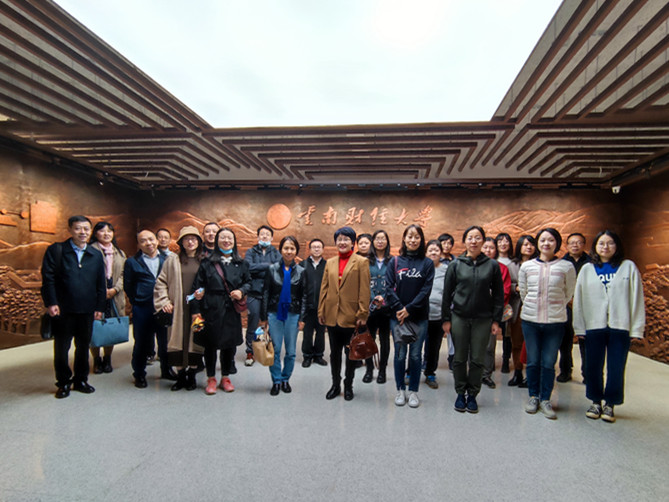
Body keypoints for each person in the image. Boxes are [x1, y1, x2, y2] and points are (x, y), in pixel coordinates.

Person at [573, 230, 645, 423]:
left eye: (610, 243)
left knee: (616, 367)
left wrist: (636, 328)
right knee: (593, 366)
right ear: (595, 246)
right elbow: (579, 300)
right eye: (601, 243)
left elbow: (637, 299)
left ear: (617, 246)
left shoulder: (628, 267)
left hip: (620, 326)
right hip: (593, 325)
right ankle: (595, 401)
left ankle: (610, 404)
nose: (605, 247)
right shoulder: (587, 269)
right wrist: (579, 327)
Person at [41, 215, 106, 399]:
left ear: (90, 231)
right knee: (62, 348)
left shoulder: (95, 254)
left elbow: (100, 283)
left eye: (86, 229)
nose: (82, 232)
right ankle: (63, 382)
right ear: (70, 230)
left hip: (87, 309)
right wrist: (51, 302)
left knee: (83, 347)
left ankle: (81, 380)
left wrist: (100, 306)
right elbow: (48, 278)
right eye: (78, 228)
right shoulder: (57, 250)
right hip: (63, 309)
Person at [442, 226, 504, 414]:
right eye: (470, 238)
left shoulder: (492, 265)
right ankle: (460, 393)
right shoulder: (455, 265)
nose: (474, 241)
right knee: (459, 358)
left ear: (483, 241)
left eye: (478, 238)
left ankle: (473, 395)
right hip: (459, 317)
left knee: (477, 358)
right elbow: (447, 294)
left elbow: (498, 295)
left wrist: (496, 320)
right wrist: (446, 319)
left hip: (483, 319)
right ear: (465, 241)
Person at [519, 228, 575, 420]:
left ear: (557, 243)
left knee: (549, 362)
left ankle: (545, 399)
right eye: (542, 240)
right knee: (533, 361)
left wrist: (554, 307)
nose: (546, 243)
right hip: (530, 321)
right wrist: (533, 306)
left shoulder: (566, 266)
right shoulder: (527, 266)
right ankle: (533, 396)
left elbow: (568, 292)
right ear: (538, 243)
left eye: (551, 240)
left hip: (555, 322)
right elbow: (524, 292)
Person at [191, 228, 251, 395]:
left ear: (234, 241)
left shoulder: (241, 263)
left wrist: (241, 291)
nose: (226, 241)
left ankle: (225, 377)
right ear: (217, 241)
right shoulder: (207, 263)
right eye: (223, 237)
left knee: (229, 345)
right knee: (210, 345)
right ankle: (211, 378)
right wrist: (196, 310)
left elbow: (248, 282)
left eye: (229, 238)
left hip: (231, 308)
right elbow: (197, 287)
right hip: (210, 308)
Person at [318, 226, 371, 401]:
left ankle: (348, 385)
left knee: (351, 354)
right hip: (332, 316)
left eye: (346, 239)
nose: (342, 242)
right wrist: (321, 310)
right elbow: (324, 288)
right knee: (334, 354)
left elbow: (364, 290)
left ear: (352, 242)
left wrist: (362, 314)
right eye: (339, 239)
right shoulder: (330, 262)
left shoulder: (361, 262)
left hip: (351, 316)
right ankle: (335, 385)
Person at [386, 225, 434, 408]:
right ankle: (400, 390)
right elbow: (388, 288)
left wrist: (409, 309)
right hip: (397, 317)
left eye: (417, 237)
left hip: (419, 317)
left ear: (421, 240)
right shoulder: (395, 261)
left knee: (415, 355)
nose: (413, 240)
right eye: (410, 236)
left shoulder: (427, 263)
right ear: (404, 239)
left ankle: (413, 391)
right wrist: (401, 309)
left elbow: (426, 291)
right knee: (399, 355)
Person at [153, 226, 205, 391]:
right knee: (177, 340)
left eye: (194, 239)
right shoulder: (172, 260)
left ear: (199, 242)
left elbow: (211, 282)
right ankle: (180, 376)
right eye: (187, 239)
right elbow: (161, 282)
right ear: (181, 242)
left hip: (198, 310)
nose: (190, 242)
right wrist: (164, 301)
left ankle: (192, 376)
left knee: (196, 340)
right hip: (177, 309)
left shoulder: (205, 260)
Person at [124, 229, 175, 389]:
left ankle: (166, 369)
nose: (149, 243)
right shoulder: (132, 262)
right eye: (143, 240)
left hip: (164, 307)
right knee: (142, 342)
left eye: (151, 239)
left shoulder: (168, 259)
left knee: (165, 341)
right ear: (138, 244)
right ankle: (139, 373)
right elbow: (128, 286)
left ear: (157, 240)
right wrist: (137, 301)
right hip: (142, 308)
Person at [260, 236, 305, 395]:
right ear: (280, 250)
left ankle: (286, 379)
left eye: (292, 248)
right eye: (286, 248)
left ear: (296, 251)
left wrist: (302, 318)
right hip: (275, 313)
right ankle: (276, 381)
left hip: (293, 314)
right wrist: (263, 317)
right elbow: (266, 293)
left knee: (291, 351)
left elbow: (304, 296)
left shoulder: (301, 271)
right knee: (276, 349)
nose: (289, 251)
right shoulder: (272, 269)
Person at [88, 221, 126, 374]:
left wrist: (115, 289)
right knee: (95, 326)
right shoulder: (90, 251)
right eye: (102, 231)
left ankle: (107, 358)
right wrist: (100, 290)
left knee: (111, 325)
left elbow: (124, 274)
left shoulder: (119, 252)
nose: (106, 234)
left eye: (109, 231)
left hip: (114, 295)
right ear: (95, 233)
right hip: (95, 295)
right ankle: (96, 359)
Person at [244, 225, 281, 367]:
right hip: (254, 293)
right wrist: (268, 266)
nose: (264, 236)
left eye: (267, 234)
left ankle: (269, 349)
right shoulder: (251, 251)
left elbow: (278, 267)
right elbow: (248, 267)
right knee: (252, 323)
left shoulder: (276, 252)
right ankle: (250, 352)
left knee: (271, 324)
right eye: (262, 234)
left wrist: (258, 267)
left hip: (271, 294)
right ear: (258, 236)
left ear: (272, 238)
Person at [557, 232, 592, 383]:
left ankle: (587, 373)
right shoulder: (561, 263)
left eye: (578, 242)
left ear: (584, 245)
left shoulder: (591, 263)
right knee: (565, 340)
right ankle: (565, 370)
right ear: (567, 245)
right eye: (572, 243)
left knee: (585, 340)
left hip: (586, 306)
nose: (575, 245)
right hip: (567, 305)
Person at [480, 238, 512, 389]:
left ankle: (486, 375)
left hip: (491, 313)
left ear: (496, 250)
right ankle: (472, 374)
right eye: (485, 247)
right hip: (472, 312)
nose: (488, 250)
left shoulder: (502, 268)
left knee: (489, 346)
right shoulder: (472, 265)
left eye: (491, 248)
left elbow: (504, 291)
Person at [507, 234, 538, 388]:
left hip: (535, 307)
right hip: (517, 306)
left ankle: (531, 374)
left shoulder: (540, 264)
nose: (528, 247)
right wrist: (516, 288)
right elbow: (506, 285)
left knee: (533, 343)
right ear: (519, 246)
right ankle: (518, 372)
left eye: (531, 244)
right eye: (525, 244)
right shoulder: (512, 265)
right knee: (517, 342)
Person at [363, 229, 392, 384]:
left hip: (387, 308)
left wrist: (384, 299)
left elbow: (394, 283)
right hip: (370, 308)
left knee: (385, 340)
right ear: (373, 242)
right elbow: (364, 283)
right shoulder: (366, 261)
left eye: (383, 238)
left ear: (387, 242)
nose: (380, 241)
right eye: (377, 238)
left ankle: (382, 370)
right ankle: (369, 369)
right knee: (369, 339)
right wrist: (374, 298)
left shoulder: (393, 261)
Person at [300, 238, 327, 367]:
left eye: (319, 247)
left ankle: (318, 356)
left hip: (322, 306)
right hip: (307, 306)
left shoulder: (327, 265)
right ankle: (307, 356)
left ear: (323, 249)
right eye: (314, 247)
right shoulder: (302, 265)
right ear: (310, 249)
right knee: (307, 333)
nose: (316, 249)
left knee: (321, 333)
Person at [424, 239, 446, 390]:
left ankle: (430, 373)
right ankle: (410, 372)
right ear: (426, 252)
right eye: (430, 250)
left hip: (438, 315)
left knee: (434, 346)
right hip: (421, 314)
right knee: (415, 346)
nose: (433, 252)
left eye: (436, 250)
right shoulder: (421, 267)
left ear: (441, 253)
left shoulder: (446, 270)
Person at [495, 232, 515, 373]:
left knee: (507, 334)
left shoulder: (514, 262)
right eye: (500, 241)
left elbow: (507, 288)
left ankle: (506, 360)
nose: (503, 243)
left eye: (506, 240)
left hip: (508, 304)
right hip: (490, 306)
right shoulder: (491, 261)